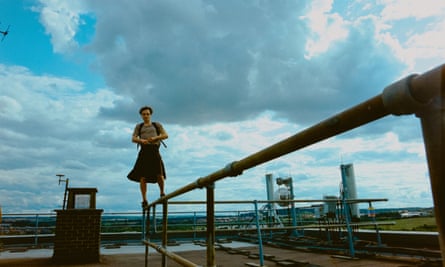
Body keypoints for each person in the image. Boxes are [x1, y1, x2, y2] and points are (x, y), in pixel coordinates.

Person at [127, 106, 168, 209]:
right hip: (144, 151)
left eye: (147, 114)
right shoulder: (139, 126)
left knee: (160, 174)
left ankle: (162, 193)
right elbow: (133, 138)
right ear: (141, 115)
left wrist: (155, 137)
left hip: (154, 150)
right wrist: (141, 141)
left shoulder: (156, 125)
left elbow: (165, 135)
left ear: (150, 115)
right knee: (142, 177)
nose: (145, 116)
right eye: (144, 114)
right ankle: (144, 199)